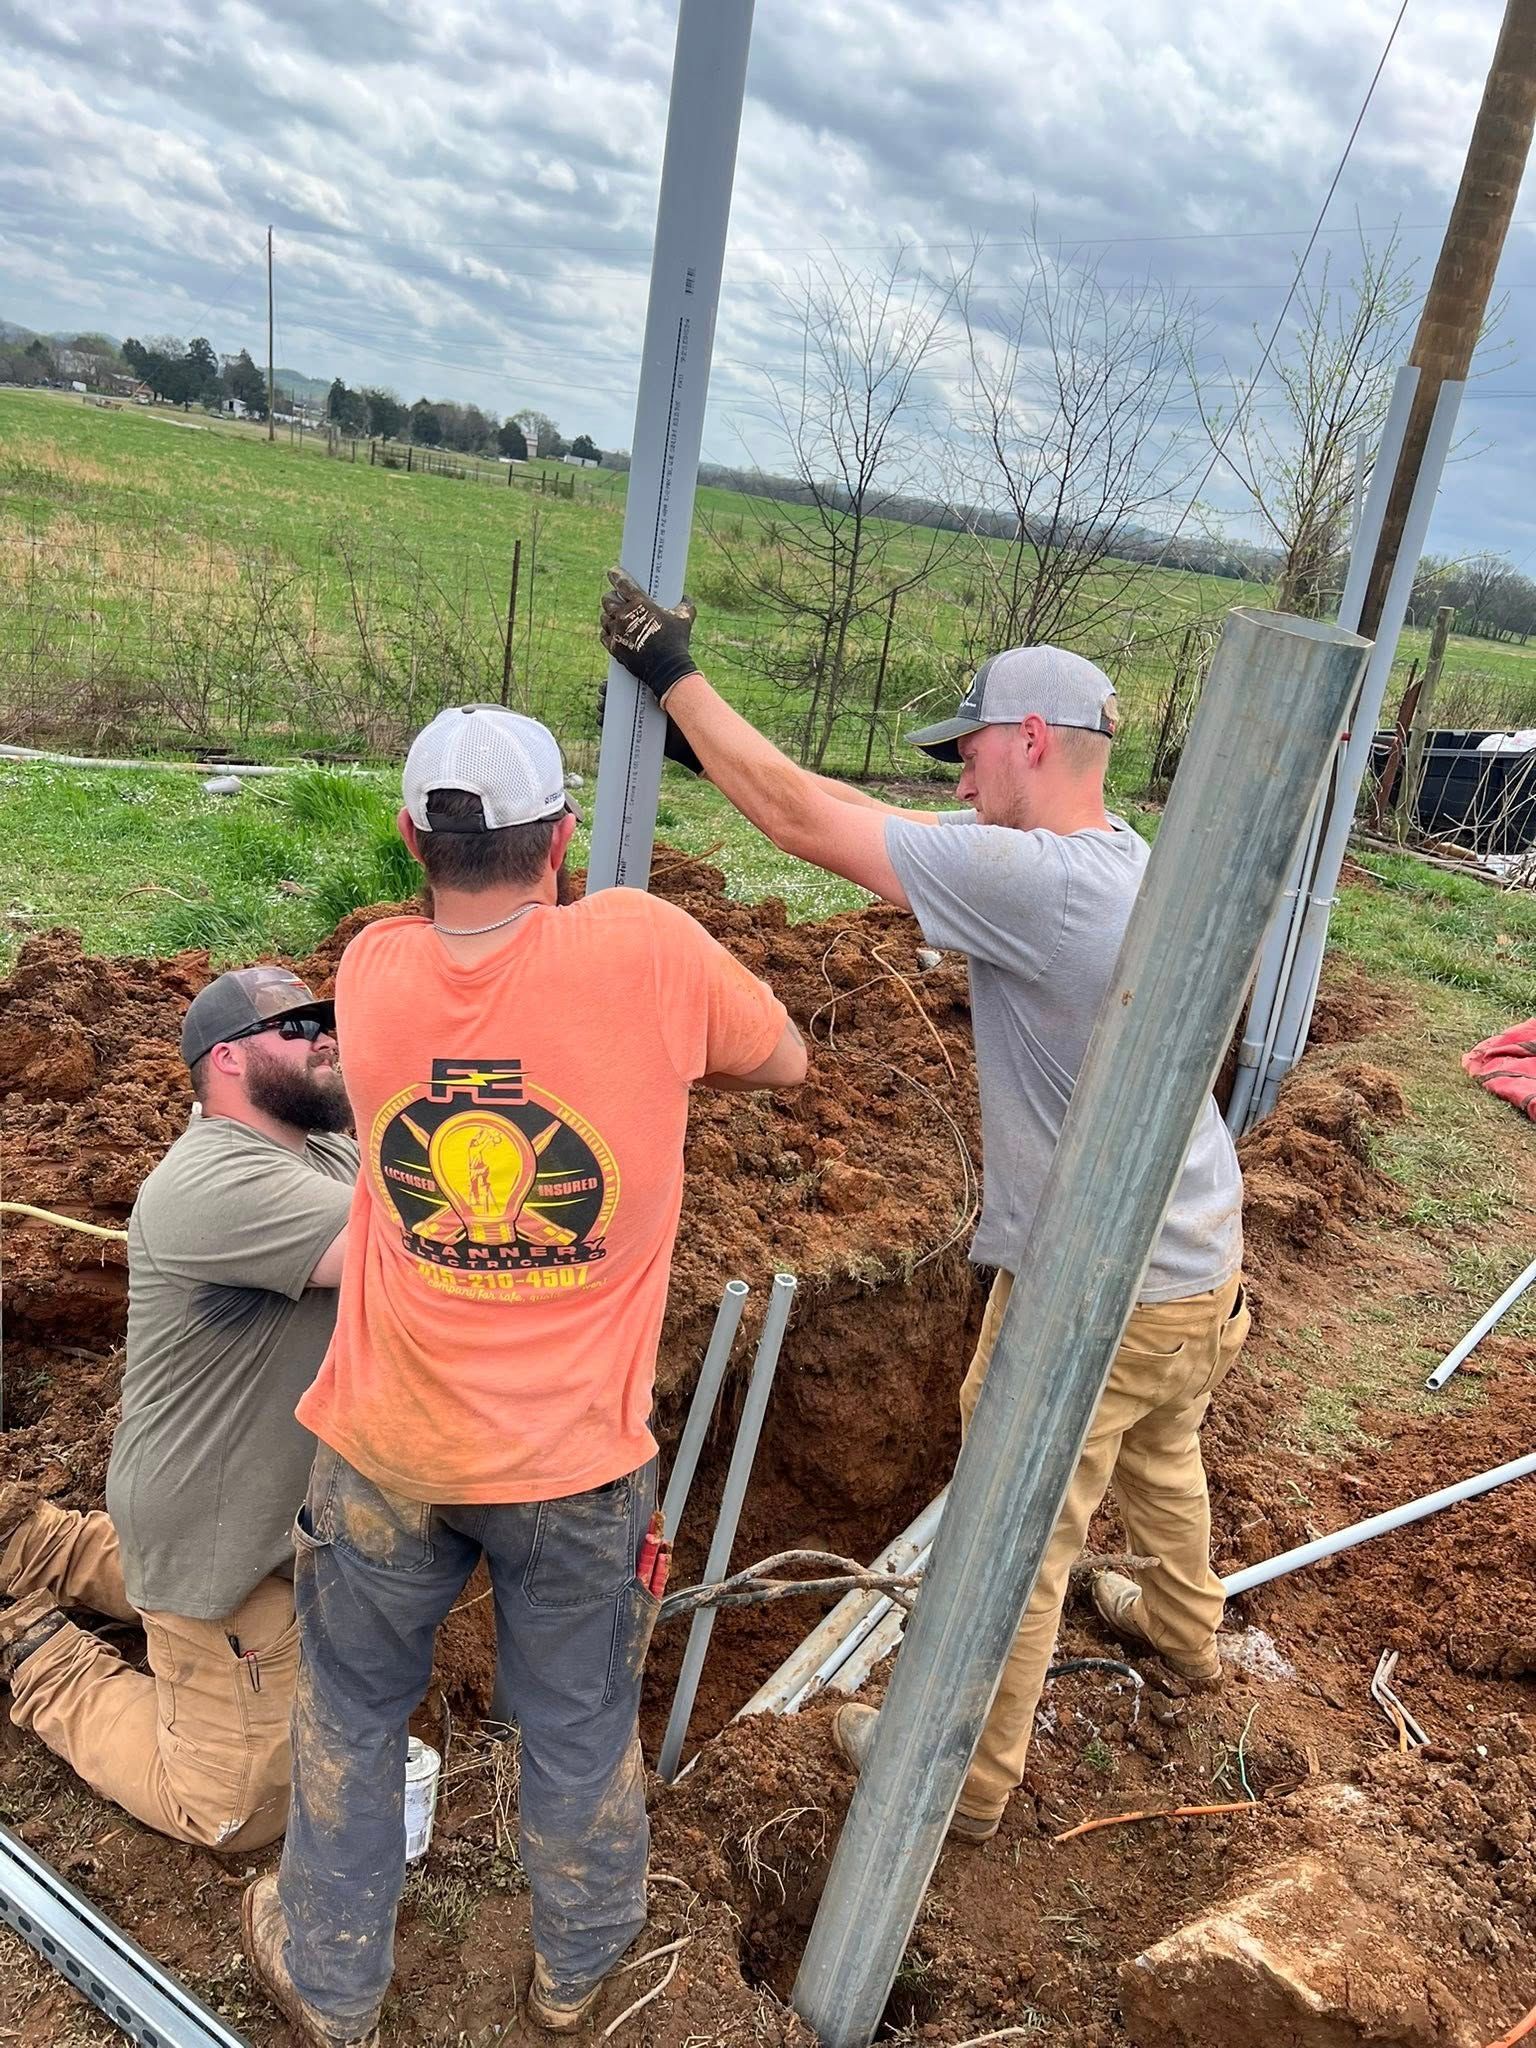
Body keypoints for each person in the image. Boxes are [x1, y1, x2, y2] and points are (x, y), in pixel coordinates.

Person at [599, 572, 1250, 1843]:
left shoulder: (1042, 886)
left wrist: (671, 669)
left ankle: (956, 1770)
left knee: (1017, 1523)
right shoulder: (1119, 857)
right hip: (1194, 1257)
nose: (955, 780)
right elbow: (853, 808)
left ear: (1033, 743)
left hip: (1093, 1290)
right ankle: (1186, 1628)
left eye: (967, 756)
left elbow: (799, 820)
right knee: (1165, 1447)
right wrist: (718, 738)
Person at [243, 704, 805, 2046]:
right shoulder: (646, 950)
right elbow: (783, 1056)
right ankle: (579, 1967)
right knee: (575, 1717)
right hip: (573, 1464)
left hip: (388, 1439)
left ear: (408, 839)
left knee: (354, 1707)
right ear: (560, 839)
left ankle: (331, 1979)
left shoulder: (371, 971)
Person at [0, 966, 353, 1850]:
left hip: (260, 1514)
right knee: (235, 1809)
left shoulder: (319, 1149)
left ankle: (38, 1545)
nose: (326, 1038)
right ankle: (33, 1648)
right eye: (299, 1027)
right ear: (227, 1060)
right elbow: (410, 1251)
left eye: (329, 1021)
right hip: (215, 1535)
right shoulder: (211, 1183)